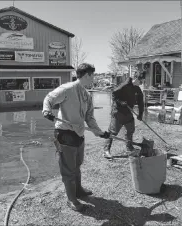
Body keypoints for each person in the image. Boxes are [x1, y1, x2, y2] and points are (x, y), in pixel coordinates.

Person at [42, 63, 110, 212]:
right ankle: (71, 200)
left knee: (77, 165)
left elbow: (89, 117)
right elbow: (49, 98)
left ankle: (78, 190)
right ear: (87, 75)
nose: (94, 78)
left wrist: (99, 132)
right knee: (68, 169)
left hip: (79, 134)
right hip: (65, 134)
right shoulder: (67, 89)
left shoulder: (87, 94)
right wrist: (47, 111)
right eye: (93, 75)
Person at [103, 75, 145, 159]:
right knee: (113, 132)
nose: (141, 83)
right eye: (141, 82)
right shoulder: (124, 85)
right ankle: (106, 151)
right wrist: (120, 102)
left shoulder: (137, 89)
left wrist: (140, 114)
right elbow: (114, 94)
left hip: (128, 112)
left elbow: (141, 102)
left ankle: (129, 148)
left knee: (130, 130)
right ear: (135, 79)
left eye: (142, 82)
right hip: (118, 112)